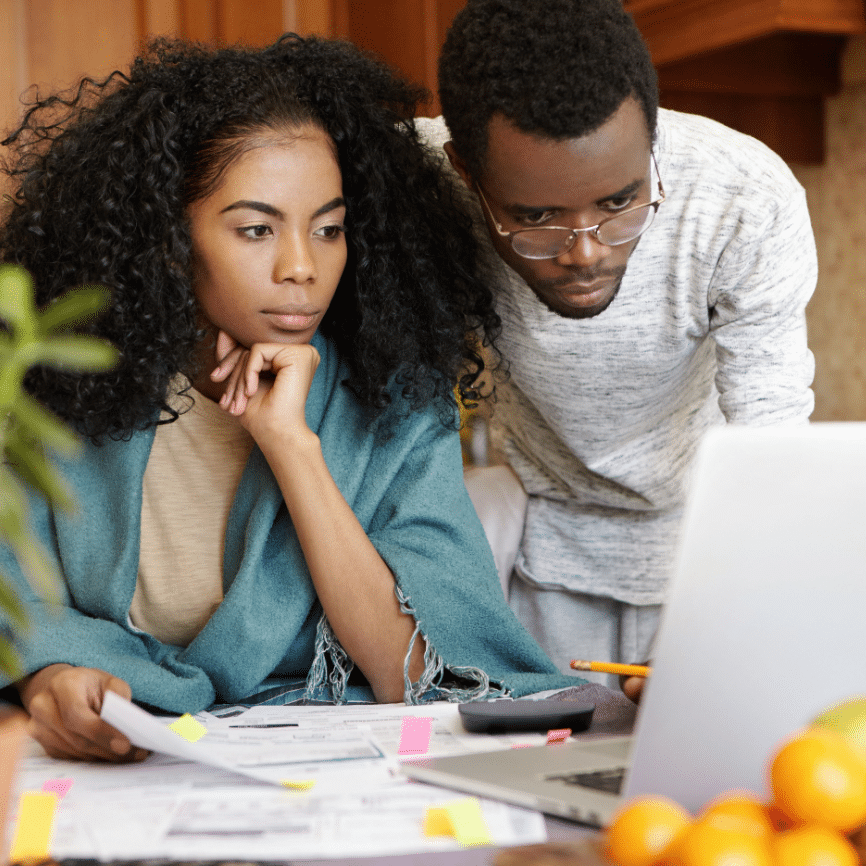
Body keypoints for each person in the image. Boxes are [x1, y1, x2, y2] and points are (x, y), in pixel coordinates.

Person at [0, 34, 582, 762]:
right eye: (256, 230)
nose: (302, 267)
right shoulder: (56, 383)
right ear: (168, 240)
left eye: (330, 229)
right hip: (113, 776)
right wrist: (50, 674)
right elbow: (14, 602)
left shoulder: (394, 398)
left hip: (335, 775)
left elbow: (421, 676)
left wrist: (292, 448)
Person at [415, 0, 817, 691]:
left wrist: (734, 625)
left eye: (619, 203)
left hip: (710, 554)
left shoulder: (743, 197)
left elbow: (772, 447)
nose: (585, 253)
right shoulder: (415, 179)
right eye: (534, 218)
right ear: (464, 170)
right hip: (536, 558)